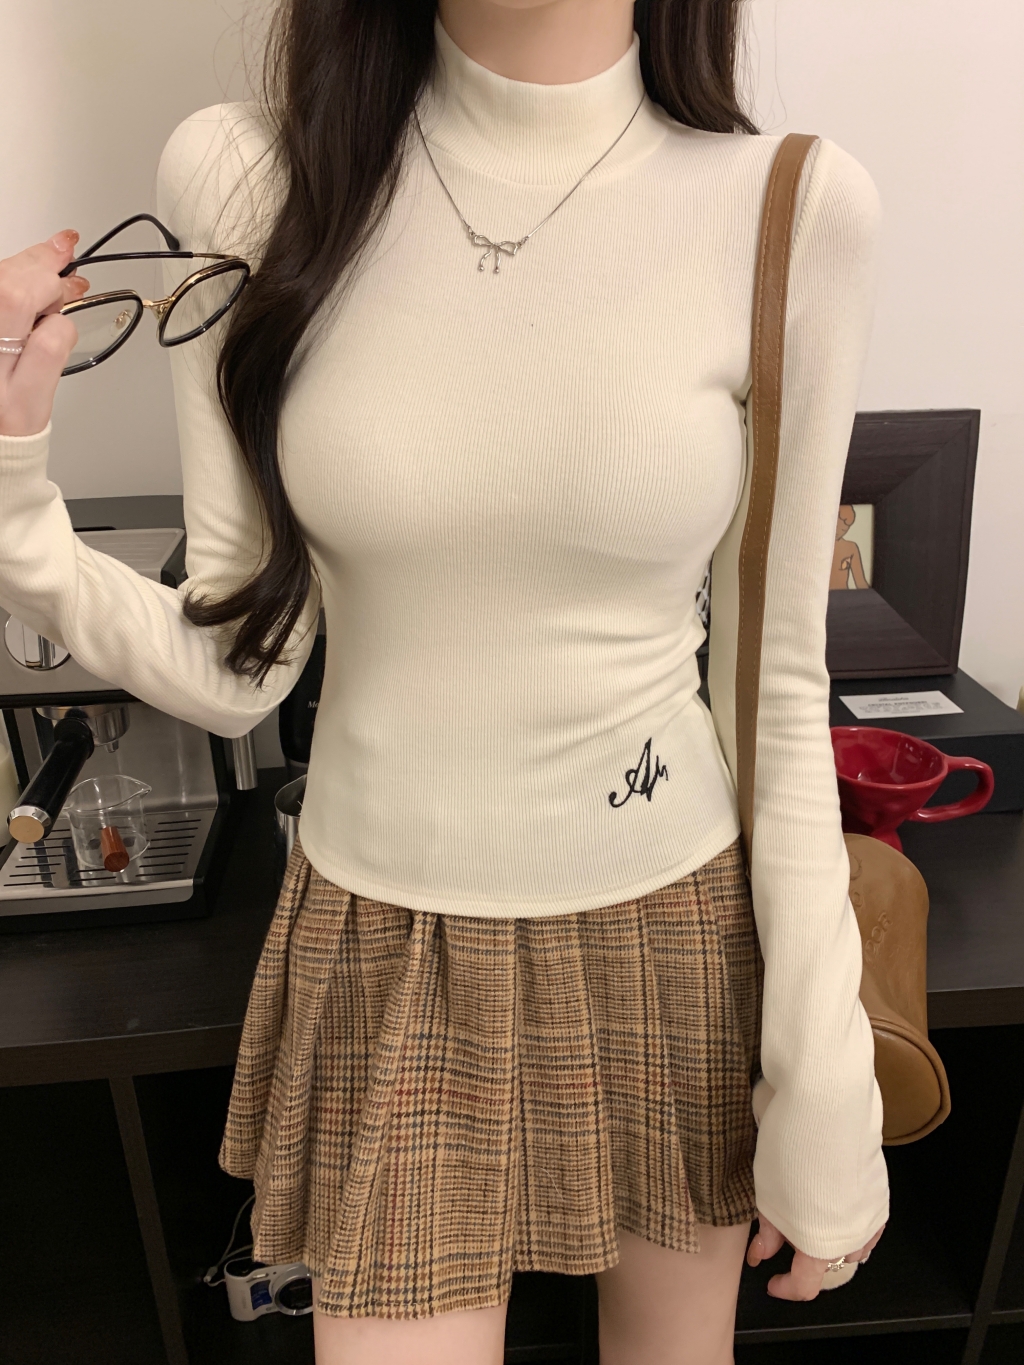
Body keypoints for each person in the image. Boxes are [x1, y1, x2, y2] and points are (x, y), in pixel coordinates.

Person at [0, 1, 888, 1361]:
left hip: (676, 933)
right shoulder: (249, 180)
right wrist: (19, 507)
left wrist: (827, 1080)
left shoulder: (789, 210)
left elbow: (775, 686)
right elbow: (239, 665)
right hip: (387, 941)